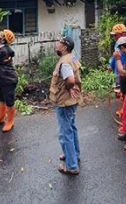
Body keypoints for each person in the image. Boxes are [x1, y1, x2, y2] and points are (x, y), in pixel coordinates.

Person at [49, 36, 83, 175]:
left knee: (65, 133)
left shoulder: (65, 62)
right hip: (72, 100)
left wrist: (69, 88)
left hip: (65, 102)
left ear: (65, 47)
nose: (56, 45)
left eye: (59, 43)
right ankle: (73, 155)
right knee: (72, 128)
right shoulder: (72, 57)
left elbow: (70, 79)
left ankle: (72, 166)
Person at [108, 23, 126, 123]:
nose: (114, 37)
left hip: (123, 72)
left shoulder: (125, 44)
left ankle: (125, 111)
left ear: (122, 34)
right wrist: (111, 66)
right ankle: (124, 110)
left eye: (115, 35)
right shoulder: (119, 44)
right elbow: (114, 57)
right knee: (120, 92)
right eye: (113, 35)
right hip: (118, 71)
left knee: (123, 92)